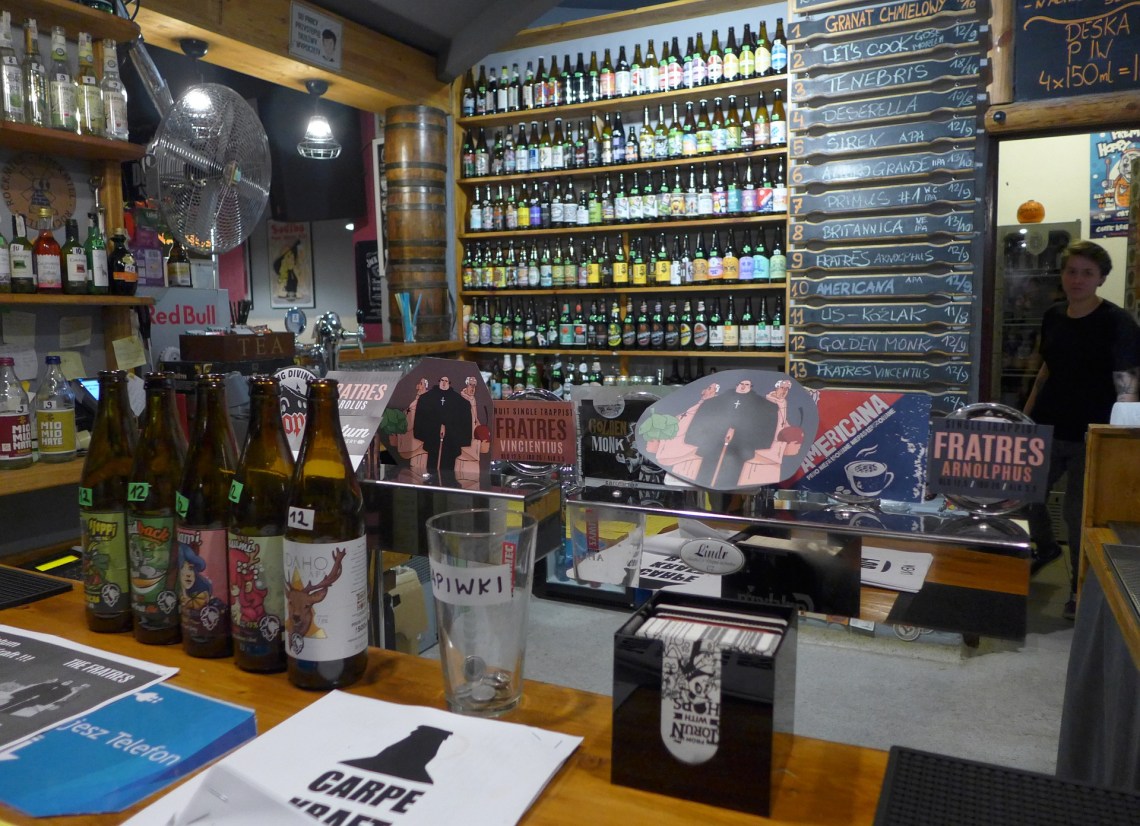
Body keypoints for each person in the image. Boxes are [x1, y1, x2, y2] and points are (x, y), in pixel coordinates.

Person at [1024, 240, 1139, 619]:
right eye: (1071, 271)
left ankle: (1079, 590)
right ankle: (1045, 548)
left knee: (1077, 516)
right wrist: (1025, 420)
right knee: (1025, 495)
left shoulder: (1118, 322)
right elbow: (1046, 369)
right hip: (1047, 427)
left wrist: (1118, 438)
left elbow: (1127, 382)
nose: (1077, 279)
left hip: (1092, 435)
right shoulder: (1054, 316)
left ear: (1101, 278)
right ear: (1062, 275)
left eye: (1087, 273)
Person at [684, 378, 779, 489]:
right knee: (705, 477)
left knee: (730, 477)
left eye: (746, 385)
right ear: (737, 385)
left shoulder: (759, 403)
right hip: (713, 445)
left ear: (751, 387)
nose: (743, 387)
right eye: (741, 384)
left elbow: (766, 418)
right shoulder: (720, 400)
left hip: (739, 448)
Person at [412, 376, 474, 484]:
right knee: (432, 467)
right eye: (442, 380)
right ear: (439, 381)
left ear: (449, 383)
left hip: (450, 442)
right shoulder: (428, 397)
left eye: (446, 381)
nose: (444, 383)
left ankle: (447, 485)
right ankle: (431, 484)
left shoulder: (458, 400)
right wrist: (435, 427)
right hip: (433, 440)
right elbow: (423, 417)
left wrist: (448, 428)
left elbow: (463, 416)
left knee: (448, 472)